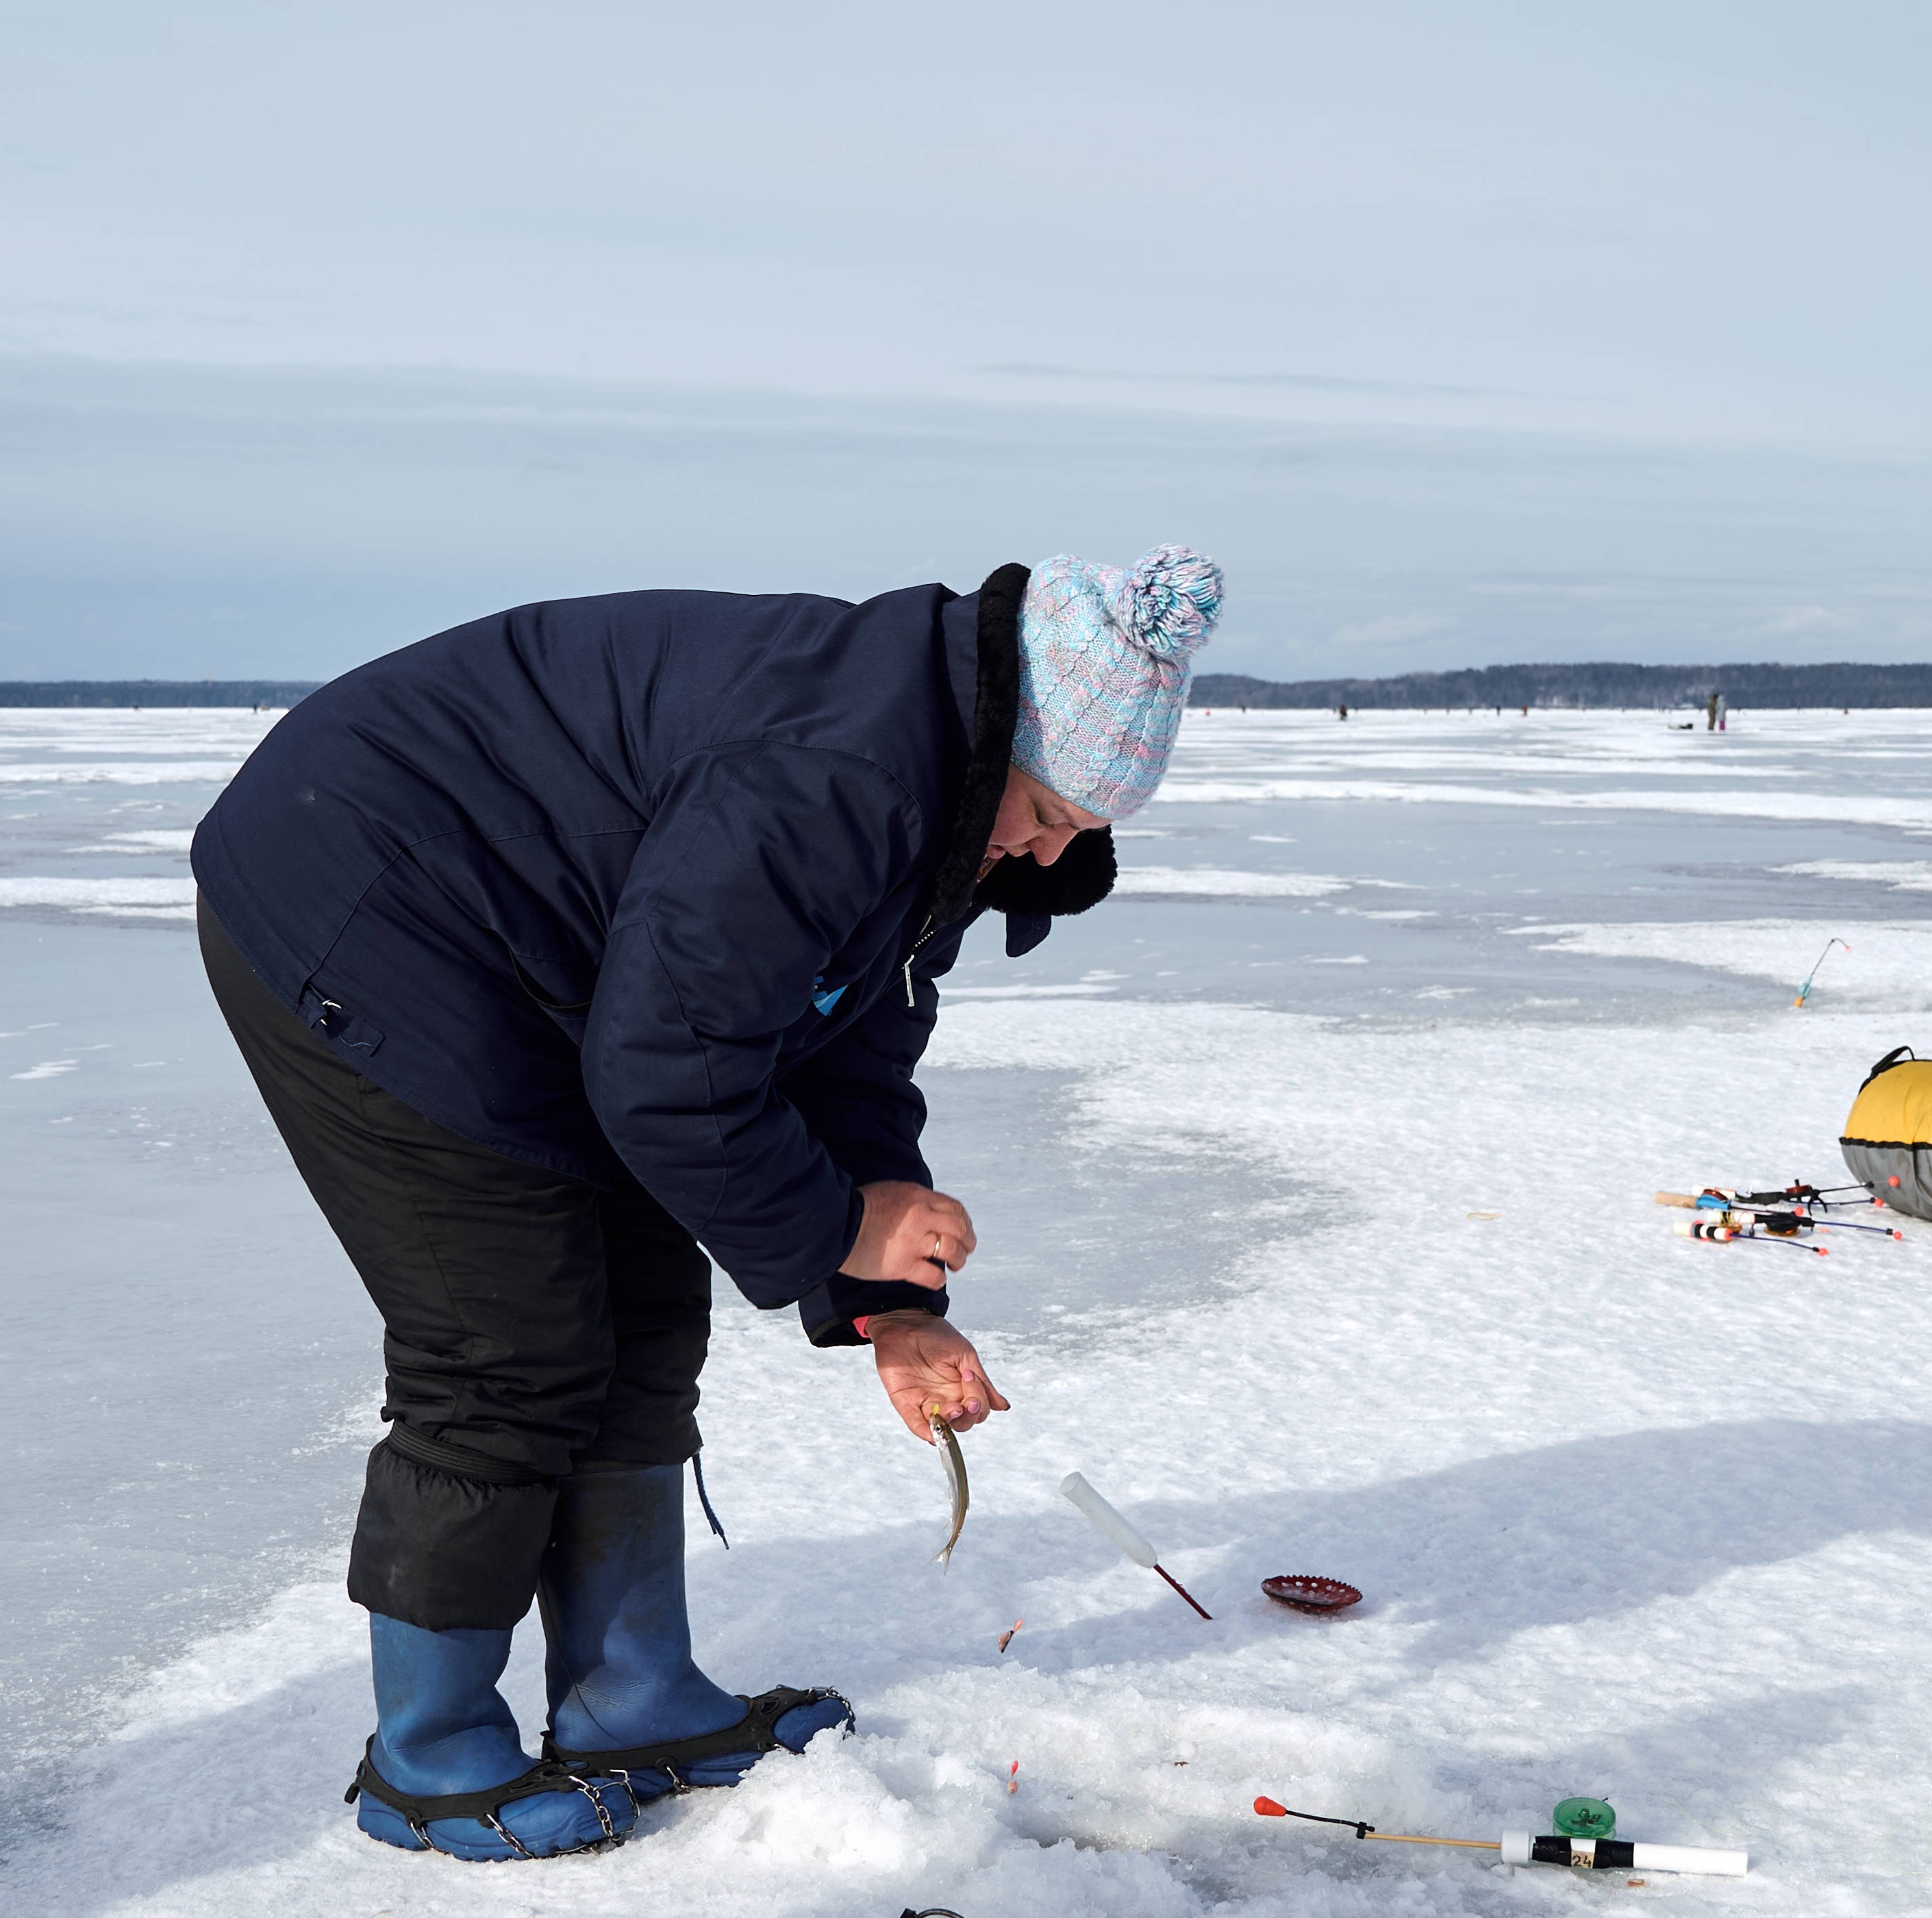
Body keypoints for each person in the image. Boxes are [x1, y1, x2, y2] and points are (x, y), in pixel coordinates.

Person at [192, 547, 1221, 1860]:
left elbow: (838, 1041)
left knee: (641, 1310)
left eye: (1083, 826)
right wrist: (843, 1227)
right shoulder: (841, 779)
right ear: (1000, 739)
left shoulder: (938, 793)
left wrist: (888, 1300)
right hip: (370, 902)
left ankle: (636, 1699)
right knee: (504, 1347)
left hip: (543, 948)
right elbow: (670, 1070)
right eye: (1044, 804)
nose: (1047, 845)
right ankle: (428, 1756)